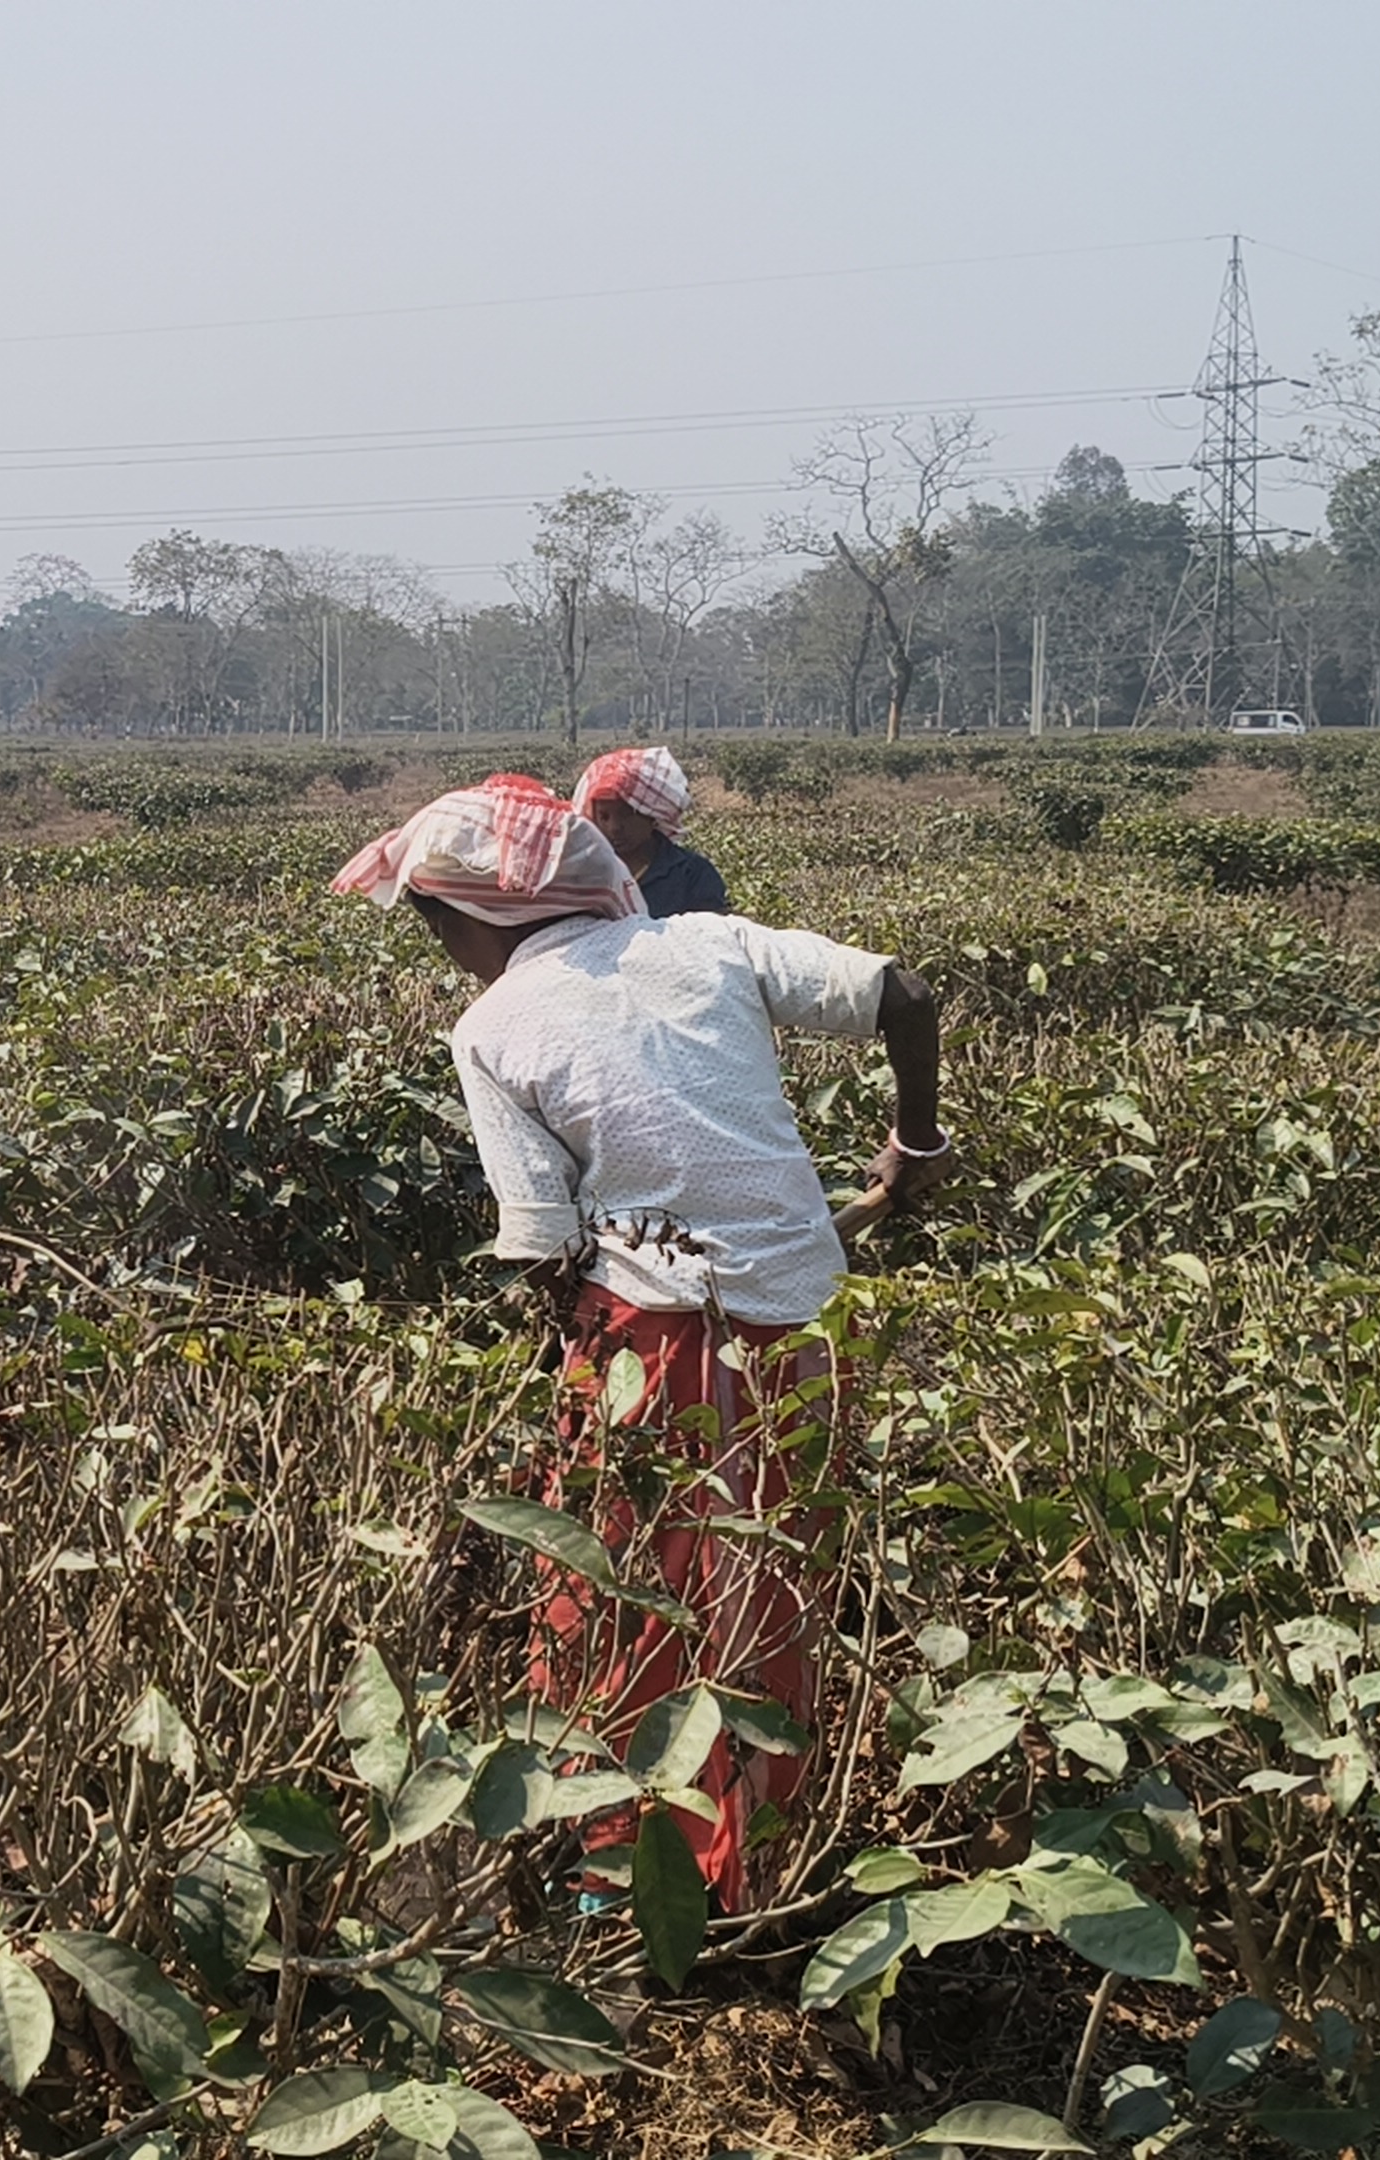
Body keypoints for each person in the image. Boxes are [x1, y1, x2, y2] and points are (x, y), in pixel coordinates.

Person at [332, 773, 951, 1906]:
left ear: (472, 920)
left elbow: (542, 1244)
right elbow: (902, 993)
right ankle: (756, 1863)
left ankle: (623, 1866)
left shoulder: (493, 1026)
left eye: (434, 927)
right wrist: (915, 1146)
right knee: (766, 1582)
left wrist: (561, 1378)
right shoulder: (706, 943)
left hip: (648, 1341)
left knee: (621, 1580)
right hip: (805, 1321)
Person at [571, 745, 728, 917]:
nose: (614, 828)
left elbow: (711, 936)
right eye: (604, 817)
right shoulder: (586, 875)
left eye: (626, 815)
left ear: (651, 814)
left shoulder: (693, 874)